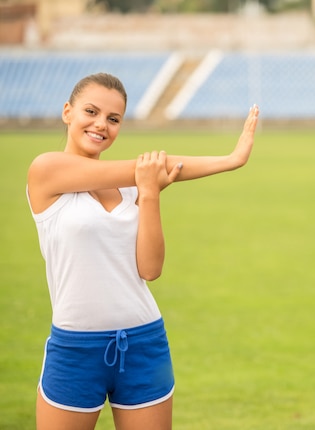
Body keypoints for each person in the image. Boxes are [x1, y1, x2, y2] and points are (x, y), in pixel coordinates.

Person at [26, 72, 259, 430]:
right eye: (91, 111)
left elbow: (150, 269)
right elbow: (149, 167)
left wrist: (150, 194)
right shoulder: (46, 170)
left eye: (113, 119)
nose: (101, 124)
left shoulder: (135, 187)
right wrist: (229, 159)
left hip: (143, 342)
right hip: (75, 350)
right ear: (67, 112)